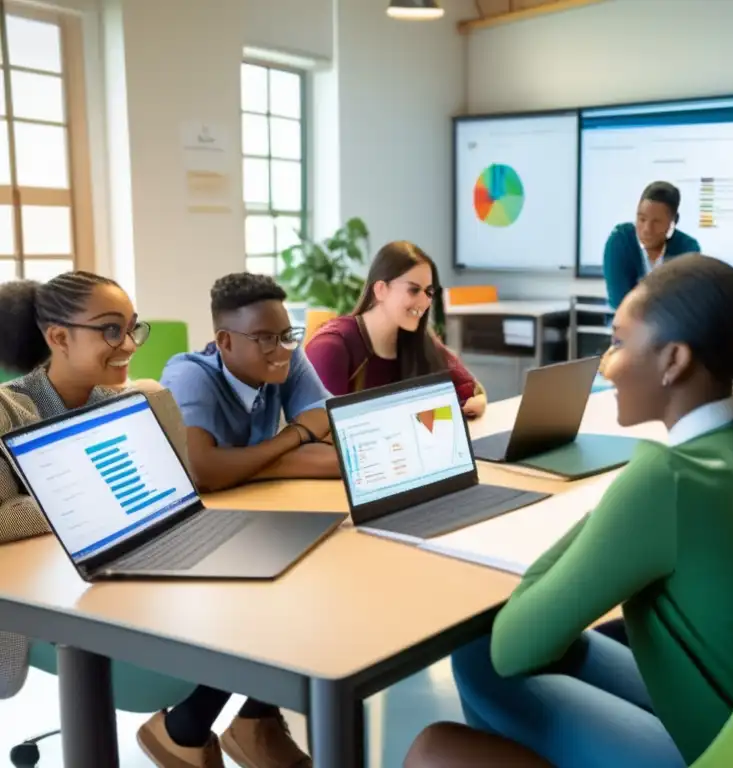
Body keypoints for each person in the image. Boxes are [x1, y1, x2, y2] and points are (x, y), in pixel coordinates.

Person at [404, 254, 733, 767]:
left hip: (727, 753)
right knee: (490, 647)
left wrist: (603, 522)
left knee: (442, 735)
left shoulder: (666, 480)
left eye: (619, 342)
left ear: (674, 361)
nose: (606, 362)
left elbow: (513, 648)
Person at [0, 271, 304, 768]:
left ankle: (236, 723)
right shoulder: (7, 411)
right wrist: (80, 497)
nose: (129, 345)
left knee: (272, 583)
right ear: (58, 337)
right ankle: (195, 730)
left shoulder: (132, 401)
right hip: (51, 598)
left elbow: (175, 498)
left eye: (132, 329)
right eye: (110, 331)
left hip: (134, 564)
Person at [161, 272, 339, 493]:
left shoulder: (288, 357)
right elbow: (200, 473)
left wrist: (235, 469)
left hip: (257, 501)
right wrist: (298, 434)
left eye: (287, 335)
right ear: (225, 342)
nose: (283, 349)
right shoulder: (189, 376)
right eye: (265, 338)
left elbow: (340, 450)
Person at [305, 241, 486, 416]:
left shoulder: (419, 341)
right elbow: (321, 433)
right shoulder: (331, 347)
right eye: (413, 290)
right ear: (381, 289)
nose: (424, 302)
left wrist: (476, 402)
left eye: (428, 292)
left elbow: (473, 390)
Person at [602, 181, 700, 310]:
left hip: (671, 328)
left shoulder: (688, 249)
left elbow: (683, 305)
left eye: (657, 222)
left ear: (673, 222)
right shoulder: (620, 241)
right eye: (641, 219)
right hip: (626, 326)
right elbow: (619, 303)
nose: (647, 229)